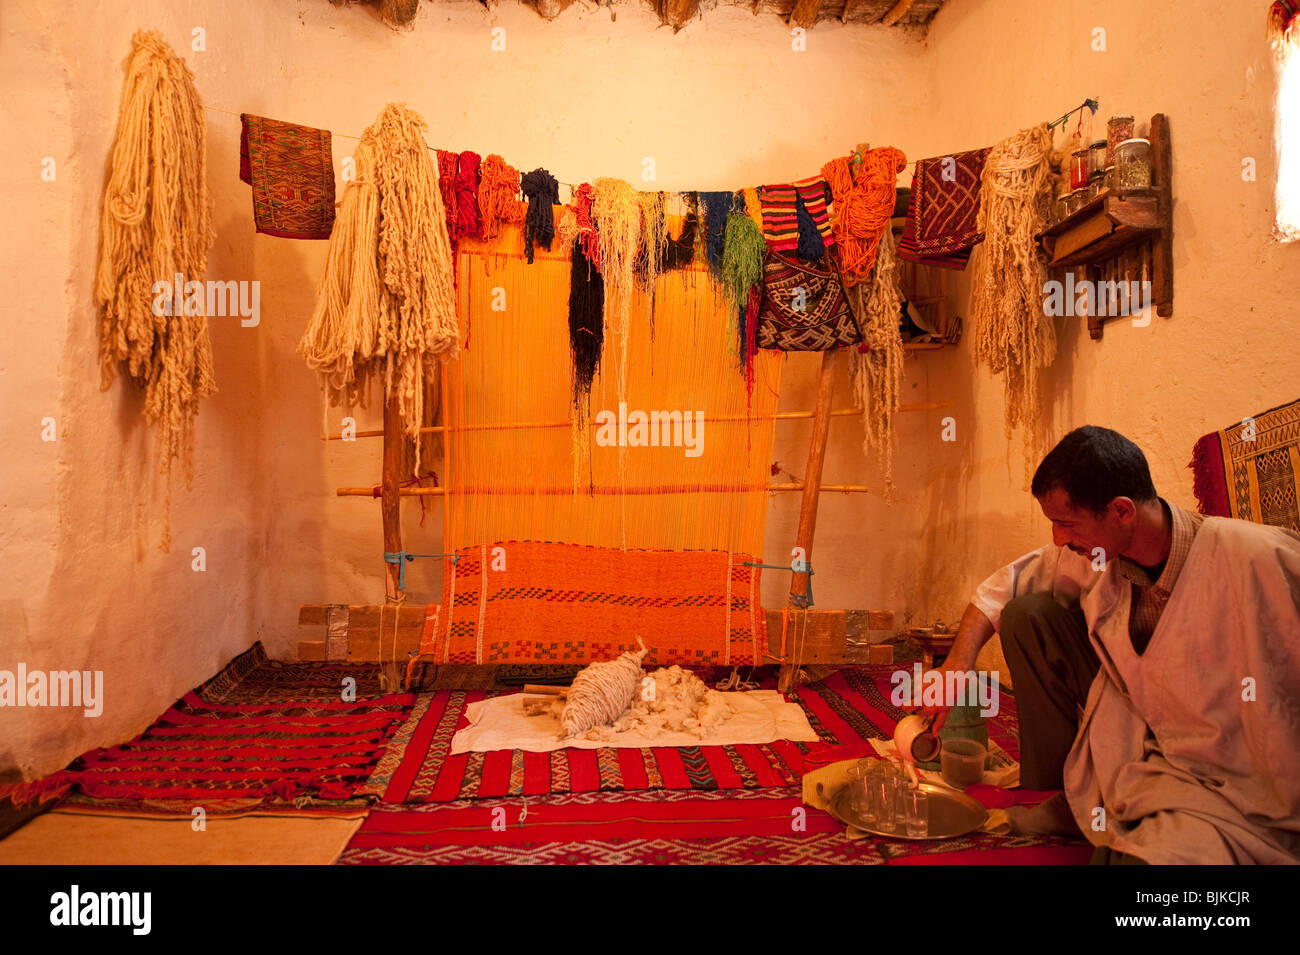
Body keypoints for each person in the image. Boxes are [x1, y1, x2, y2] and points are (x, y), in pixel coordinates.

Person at [923, 425, 1300, 864]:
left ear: (1121, 511)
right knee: (1026, 615)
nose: (1058, 539)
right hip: (1148, 735)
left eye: (1066, 523)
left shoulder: (1255, 558)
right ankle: (1069, 795)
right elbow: (998, 591)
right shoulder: (1097, 556)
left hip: (1237, 763)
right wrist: (957, 666)